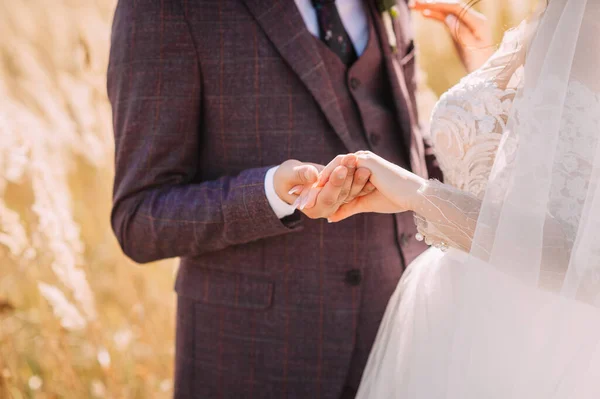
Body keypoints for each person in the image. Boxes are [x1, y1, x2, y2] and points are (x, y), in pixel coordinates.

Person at [107, 0, 490, 397]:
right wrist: (271, 194)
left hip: (401, 346)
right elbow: (139, 218)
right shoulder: (165, 9)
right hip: (258, 361)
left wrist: (487, 94)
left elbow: (407, 144)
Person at [296, 0, 600, 397]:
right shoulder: (555, 13)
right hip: (458, 325)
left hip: (535, 350)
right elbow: (546, 175)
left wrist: (420, 195)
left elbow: (582, 261)